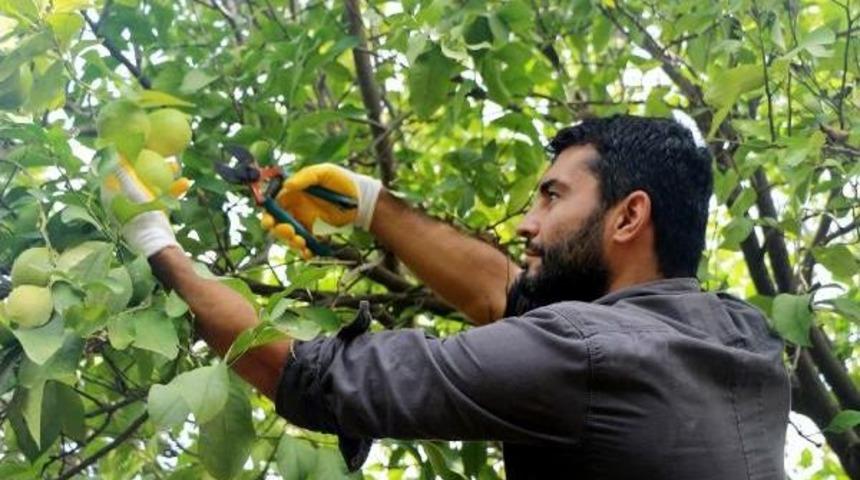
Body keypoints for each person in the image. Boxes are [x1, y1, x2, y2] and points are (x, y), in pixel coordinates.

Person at [105, 113, 790, 479]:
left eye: (552, 197)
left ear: (629, 217)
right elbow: (505, 295)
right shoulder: (741, 334)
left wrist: (152, 238)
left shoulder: (582, 355)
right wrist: (371, 204)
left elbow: (307, 375)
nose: (527, 224)